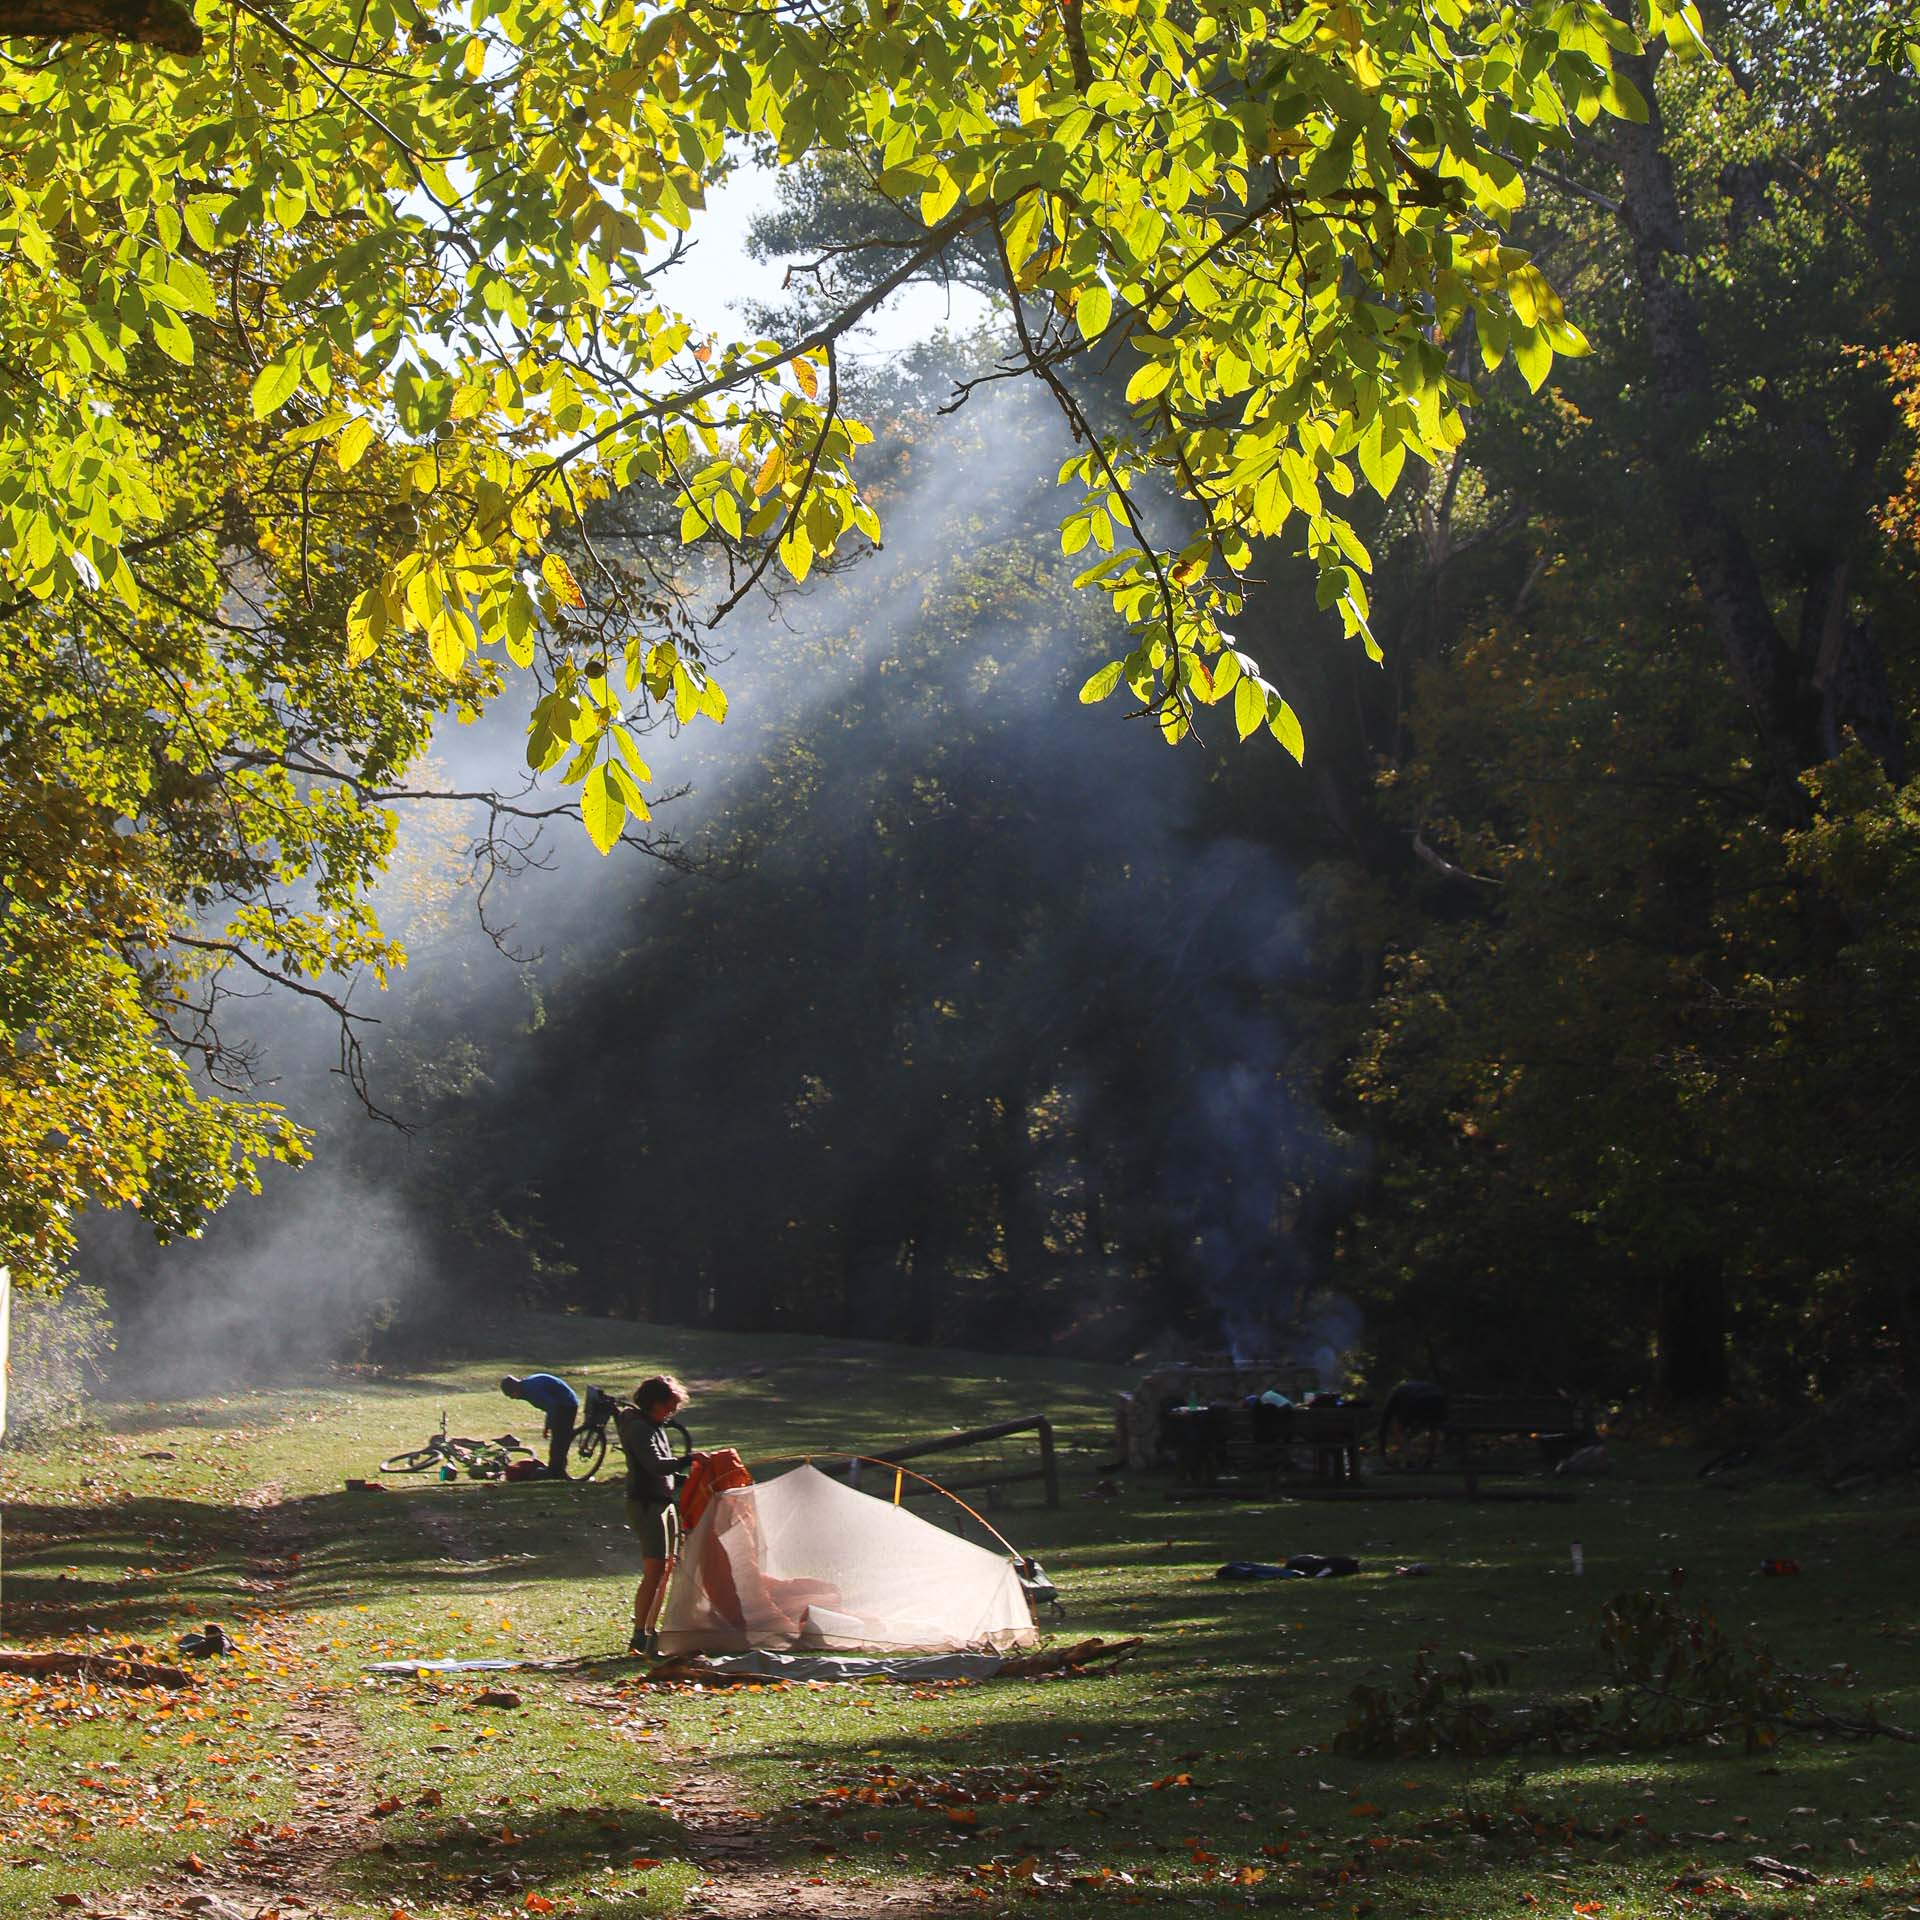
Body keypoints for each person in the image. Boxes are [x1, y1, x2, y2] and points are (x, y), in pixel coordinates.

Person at [614, 1373, 698, 1657]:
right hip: (647, 1506)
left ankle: (650, 1632)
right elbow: (655, 1465)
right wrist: (690, 1460)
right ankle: (640, 1635)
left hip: (664, 1503)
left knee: (665, 1570)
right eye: (668, 1406)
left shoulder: (654, 1425)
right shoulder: (640, 1429)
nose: (671, 1412)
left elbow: (666, 1471)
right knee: (654, 1572)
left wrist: (692, 1479)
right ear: (652, 1403)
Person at [500, 1372, 580, 1480]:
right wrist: (549, 1426)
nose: (513, 1398)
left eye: (511, 1395)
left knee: (560, 1441)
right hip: (558, 1405)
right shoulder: (526, 1388)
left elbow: (553, 1406)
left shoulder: (532, 1389)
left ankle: (558, 1472)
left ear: (515, 1387)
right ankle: (555, 1470)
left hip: (566, 1404)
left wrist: (549, 1425)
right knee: (557, 1441)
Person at [1377, 1378, 1448, 1470]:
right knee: (1433, 1427)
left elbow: (1383, 1426)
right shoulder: (1411, 1388)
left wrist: (1383, 1456)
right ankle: (1430, 1459)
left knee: (1398, 1429)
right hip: (1438, 1398)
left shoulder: (1395, 1396)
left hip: (1418, 1399)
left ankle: (1410, 1460)